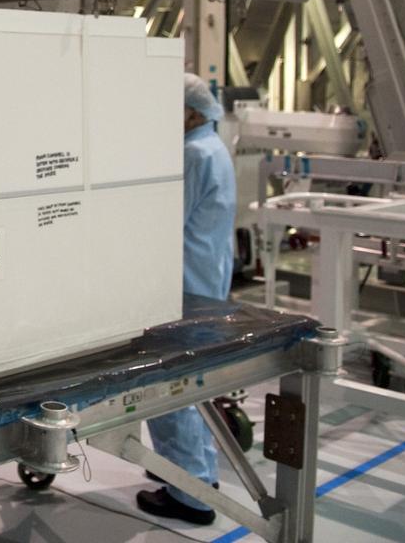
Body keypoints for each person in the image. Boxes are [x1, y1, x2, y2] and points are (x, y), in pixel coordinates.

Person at [137, 72, 237, 526]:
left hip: (183, 286)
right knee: (192, 384)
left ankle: (187, 493)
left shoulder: (194, 154)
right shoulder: (213, 147)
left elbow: (163, 223)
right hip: (205, 279)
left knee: (170, 386)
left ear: (194, 111)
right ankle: (198, 477)